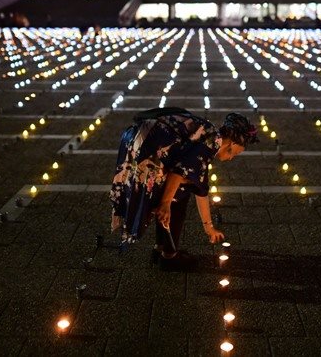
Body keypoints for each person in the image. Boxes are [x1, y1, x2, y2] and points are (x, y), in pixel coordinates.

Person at [110, 108, 258, 271]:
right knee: (177, 198)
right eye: (235, 154)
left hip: (139, 140)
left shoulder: (209, 134)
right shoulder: (211, 142)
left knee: (177, 192)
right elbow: (179, 172)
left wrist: (208, 228)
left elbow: (200, 187)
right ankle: (169, 257)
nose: (231, 158)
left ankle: (162, 247)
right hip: (147, 148)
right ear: (234, 143)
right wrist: (166, 203)